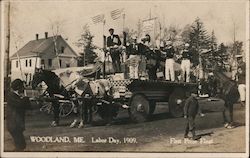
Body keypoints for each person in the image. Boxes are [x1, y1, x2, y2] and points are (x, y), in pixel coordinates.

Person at [6, 79, 31, 151]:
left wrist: (25, 98)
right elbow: (20, 104)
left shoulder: (17, 96)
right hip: (14, 125)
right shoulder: (11, 96)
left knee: (21, 145)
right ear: (18, 87)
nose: (23, 88)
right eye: (22, 87)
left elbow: (28, 107)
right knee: (20, 145)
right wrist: (25, 98)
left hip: (17, 125)